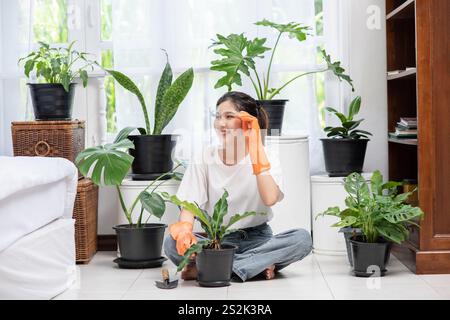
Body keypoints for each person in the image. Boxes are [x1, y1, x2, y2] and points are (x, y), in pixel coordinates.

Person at [164, 91, 312, 281]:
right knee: (170, 242)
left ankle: (210, 268)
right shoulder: (204, 157)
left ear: (247, 122)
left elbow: (270, 198)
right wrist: (185, 232)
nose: (221, 123)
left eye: (229, 116)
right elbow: (188, 207)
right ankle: (253, 266)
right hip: (217, 242)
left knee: (302, 239)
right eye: (218, 117)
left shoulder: (266, 156)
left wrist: (256, 147)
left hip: (259, 240)